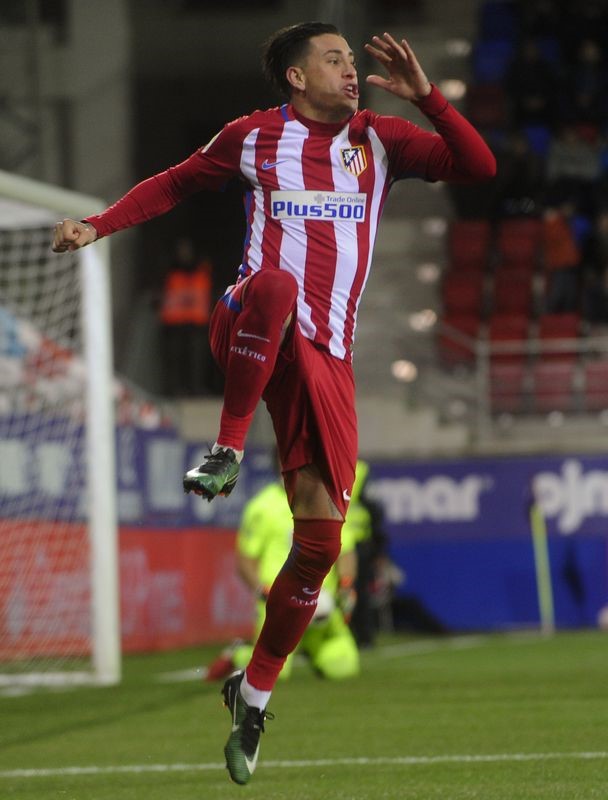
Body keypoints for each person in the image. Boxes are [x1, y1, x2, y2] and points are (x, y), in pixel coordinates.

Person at [52, 22, 495, 784]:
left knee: (320, 547)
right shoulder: (253, 137)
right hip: (250, 319)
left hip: (326, 360)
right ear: (295, 77)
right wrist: (99, 224)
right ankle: (224, 448)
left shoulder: (379, 140)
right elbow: (177, 181)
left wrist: (427, 98)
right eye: (334, 59)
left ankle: (252, 695)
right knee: (279, 285)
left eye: (353, 60)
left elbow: (479, 166)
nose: (351, 70)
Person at [206, 474, 359, 683]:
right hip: (279, 606)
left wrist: (346, 586)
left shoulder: (331, 501)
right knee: (274, 672)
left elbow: (347, 551)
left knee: (343, 665)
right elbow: (245, 562)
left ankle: (312, 652)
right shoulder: (262, 506)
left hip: (324, 606)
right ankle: (239, 654)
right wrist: (263, 591)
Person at [159, 236, 213, 396]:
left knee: (197, 359)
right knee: (175, 359)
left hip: (196, 323)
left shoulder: (203, 270)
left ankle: (196, 388)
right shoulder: (169, 271)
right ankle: (175, 389)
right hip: (175, 324)